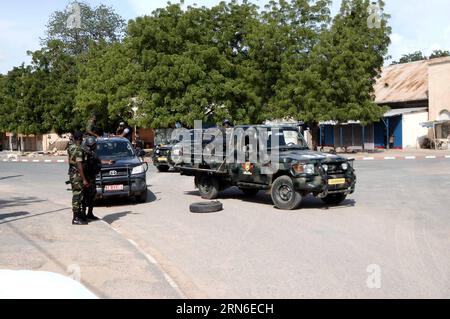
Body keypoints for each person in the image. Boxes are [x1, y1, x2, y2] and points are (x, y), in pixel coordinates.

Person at [68, 131, 89, 225]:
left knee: (78, 195)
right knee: (77, 196)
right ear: (81, 138)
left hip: (73, 174)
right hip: (77, 175)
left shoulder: (70, 147)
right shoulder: (79, 149)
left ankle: (78, 215)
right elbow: (79, 164)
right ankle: (75, 218)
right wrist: (84, 179)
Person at [82, 136, 102, 222]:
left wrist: (97, 167)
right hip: (85, 178)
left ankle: (90, 213)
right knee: (84, 196)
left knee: (92, 195)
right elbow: (81, 166)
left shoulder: (94, 153)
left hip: (92, 177)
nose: (93, 146)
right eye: (92, 145)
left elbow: (98, 163)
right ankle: (83, 214)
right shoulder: (83, 153)